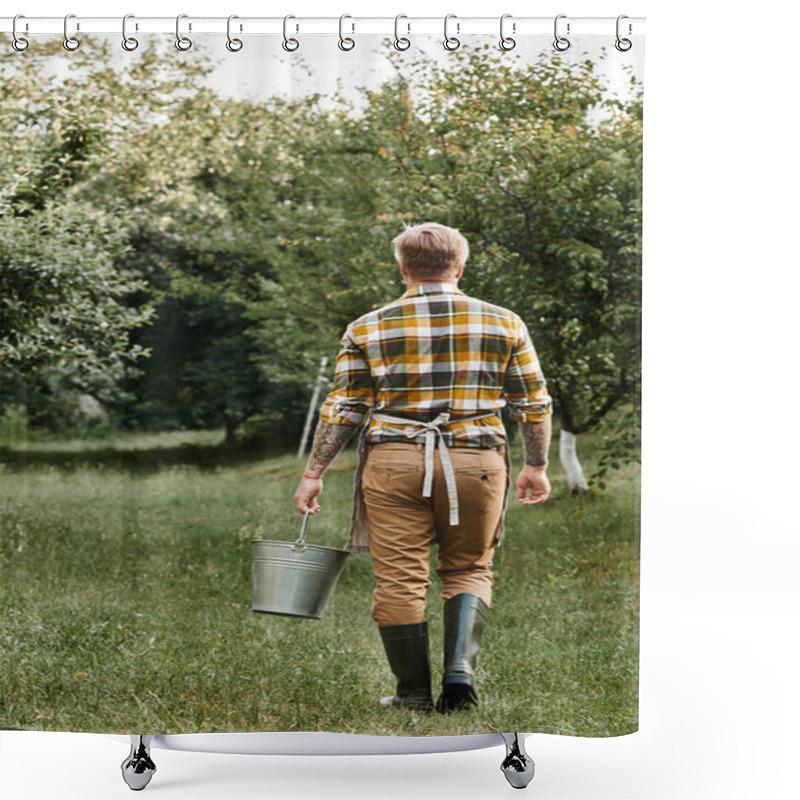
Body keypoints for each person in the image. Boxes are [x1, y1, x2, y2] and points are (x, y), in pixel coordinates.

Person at [293, 222, 552, 713]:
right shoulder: (504, 322)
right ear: (460, 266)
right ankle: (459, 673)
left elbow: (343, 407)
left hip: (394, 461)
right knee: (469, 567)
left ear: (402, 267)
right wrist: (535, 465)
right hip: (477, 458)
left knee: (399, 580)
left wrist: (314, 472)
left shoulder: (367, 327)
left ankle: (412, 693)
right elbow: (533, 404)